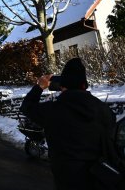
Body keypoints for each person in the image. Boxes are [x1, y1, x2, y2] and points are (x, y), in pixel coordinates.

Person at [20, 58, 116, 190]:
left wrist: (40, 86)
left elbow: (27, 107)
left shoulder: (53, 111)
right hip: (102, 178)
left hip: (67, 180)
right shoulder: (104, 110)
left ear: (62, 86)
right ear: (84, 85)